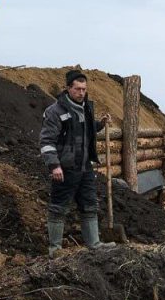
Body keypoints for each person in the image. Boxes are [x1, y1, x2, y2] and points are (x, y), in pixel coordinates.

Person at [39, 70, 112, 255]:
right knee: (58, 208)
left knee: (89, 205)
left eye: (84, 89)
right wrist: (54, 165)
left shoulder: (86, 108)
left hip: (85, 166)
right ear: (68, 88)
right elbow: (46, 141)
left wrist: (100, 124)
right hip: (65, 168)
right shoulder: (55, 111)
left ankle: (94, 245)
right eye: (78, 89)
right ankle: (55, 249)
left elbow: (84, 129)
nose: (81, 93)